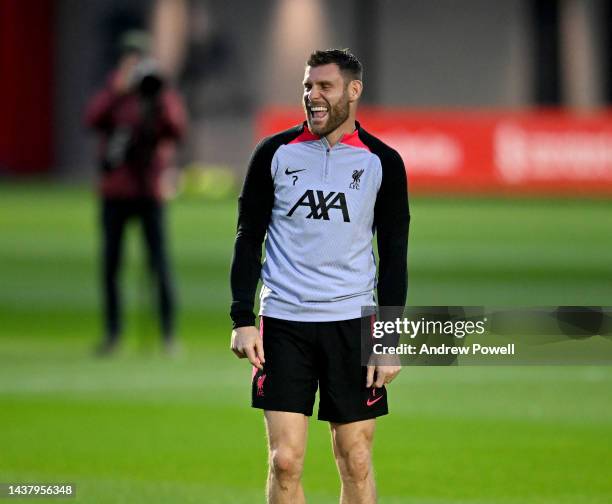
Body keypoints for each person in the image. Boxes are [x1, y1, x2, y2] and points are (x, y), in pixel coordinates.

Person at [230, 49, 410, 503]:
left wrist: (387, 338)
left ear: (353, 90)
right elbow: (248, 237)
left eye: (324, 86)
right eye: (308, 86)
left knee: (356, 457)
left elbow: (393, 255)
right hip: (284, 324)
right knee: (284, 461)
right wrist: (242, 317)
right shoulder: (273, 154)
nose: (313, 96)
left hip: (352, 322)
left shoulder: (382, 162)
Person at [85, 31, 187, 355]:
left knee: (159, 263)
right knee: (111, 265)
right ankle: (113, 334)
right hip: (116, 191)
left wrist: (157, 98)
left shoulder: (155, 89)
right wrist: (117, 91)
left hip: (148, 190)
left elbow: (177, 128)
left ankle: (168, 335)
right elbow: (92, 119)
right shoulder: (114, 90)